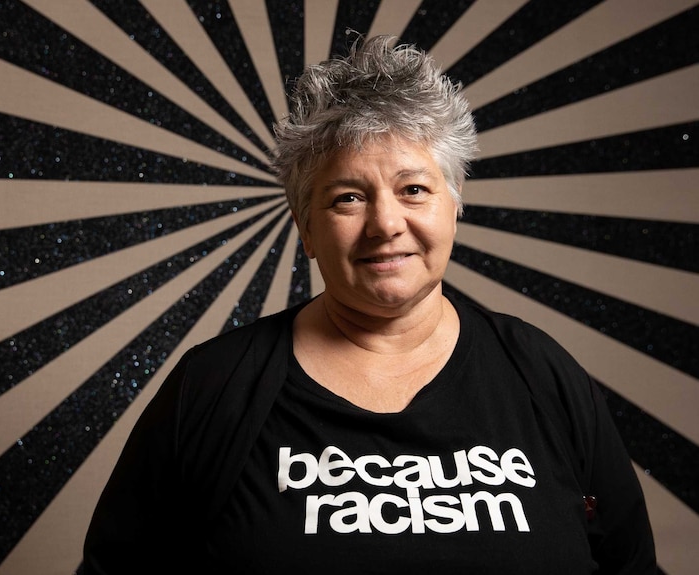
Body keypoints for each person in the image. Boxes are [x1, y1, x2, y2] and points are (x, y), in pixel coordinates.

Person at [83, 35, 655, 573]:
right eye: (348, 197)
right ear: (306, 228)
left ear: (453, 209)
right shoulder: (212, 390)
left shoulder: (541, 374)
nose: (385, 224)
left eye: (414, 189)